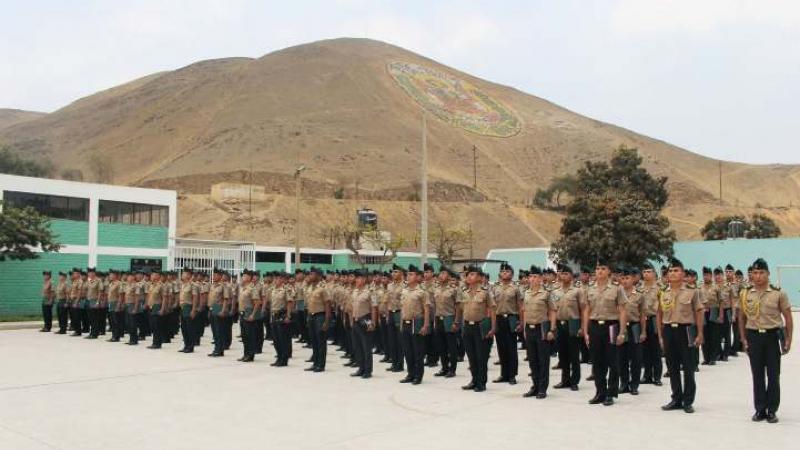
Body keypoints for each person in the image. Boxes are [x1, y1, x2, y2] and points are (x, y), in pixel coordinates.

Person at [739, 258, 793, 423]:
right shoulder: (745, 293)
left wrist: (789, 339)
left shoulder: (778, 293)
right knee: (757, 375)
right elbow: (741, 318)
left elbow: (788, 317)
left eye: (761, 272)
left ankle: (772, 410)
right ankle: (760, 409)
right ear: (751, 275)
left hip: (772, 337)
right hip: (754, 337)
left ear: (768, 274)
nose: (758, 276)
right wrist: (743, 339)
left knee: (773, 375)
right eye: (755, 272)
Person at [657, 258, 704, 414]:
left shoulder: (692, 291)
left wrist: (700, 333)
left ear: (683, 274)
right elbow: (659, 313)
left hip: (686, 330)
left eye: (676, 270)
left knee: (688, 367)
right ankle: (676, 398)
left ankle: (688, 401)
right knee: (672, 367)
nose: (673, 273)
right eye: (670, 271)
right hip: (669, 330)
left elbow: (698, 312)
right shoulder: (663, 292)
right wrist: (661, 336)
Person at [582, 260, 628, 406]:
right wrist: (586, 331)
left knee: (612, 361)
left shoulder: (617, 288)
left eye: (603, 268)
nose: (600, 271)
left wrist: (622, 332)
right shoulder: (589, 288)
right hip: (595, 326)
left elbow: (622, 310)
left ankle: (611, 392)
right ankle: (600, 392)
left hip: (611, 326)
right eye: (597, 269)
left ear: (609, 271)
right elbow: (586, 310)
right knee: (597, 361)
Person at [457, 266, 496, 392]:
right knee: (471, 356)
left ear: (479, 277)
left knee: (481, 356)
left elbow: (492, 309)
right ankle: (474, 380)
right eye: (468, 275)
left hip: (481, 326)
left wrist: (493, 327)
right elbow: (461, 308)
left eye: (472, 274)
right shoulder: (464, 292)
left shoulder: (485, 292)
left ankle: (481, 382)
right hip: (468, 326)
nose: (469, 276)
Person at [521, 266, 556, 399]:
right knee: (532, 360)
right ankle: (535, 386)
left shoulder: (546, 293)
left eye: (535, 276)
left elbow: (553, 311)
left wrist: (552, 329)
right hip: (529, 329)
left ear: (541, 279)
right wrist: (524, 328)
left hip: (542, 328)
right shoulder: (526, 293)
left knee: (543, 360)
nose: (532, 279)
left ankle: (542, 388)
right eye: (530, 276)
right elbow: (524, 311)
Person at [552, 264, 584, 391]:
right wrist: (553, 326)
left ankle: (574, 381)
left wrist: (582, 327)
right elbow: (553, 309)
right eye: (561, 274)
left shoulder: (577, 291)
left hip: (573, 324)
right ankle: (564, 380)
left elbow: (583, 310)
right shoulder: (555, 291)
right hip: (560, 324)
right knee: (562, 354)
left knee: (574, 355)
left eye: (566, 274)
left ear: (571, 276)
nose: (563, 276)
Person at [399, 265, 431, 385]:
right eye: (408, 274)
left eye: (411, 274)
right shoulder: (404, 290)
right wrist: (401, 324)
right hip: (405, 323)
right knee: (407, 351)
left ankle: (418, 375)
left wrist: (426, 325)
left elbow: (426, 309)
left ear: (418, 277)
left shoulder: (422, 292)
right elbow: (402, 307)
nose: (408, 276)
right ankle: (410, 374)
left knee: (418, 351)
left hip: (416, 322)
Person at [619, 267, 647, 395]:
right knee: (621, 357)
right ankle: (624, 383)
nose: (625, 281)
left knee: (636, 357)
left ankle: (634, 385)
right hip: (620, 328)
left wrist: (643, 332)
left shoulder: (640, 294)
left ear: (633, 279)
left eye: (627, 278)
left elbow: (642, 315)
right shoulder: (617, 294)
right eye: (623, 278)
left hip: (635, 327)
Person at [493, 263, 522, 385]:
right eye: (503, 271)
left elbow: (521, 306)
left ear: (512, 274)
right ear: (500, 274)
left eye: (507, 271)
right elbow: (492, 306)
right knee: (501, 348)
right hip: (499, 319)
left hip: (511, 318)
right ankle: (503, 374)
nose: (505, 273)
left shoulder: (516, 288)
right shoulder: (495, 288)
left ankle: (512, 375)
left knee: (511, 348)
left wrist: (521, 321)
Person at [350, 269, 378, 378]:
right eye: (356, 278)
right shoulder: (355, 291)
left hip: (365, 319)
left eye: (359, 278)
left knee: (366, 346)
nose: (357, 280)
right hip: (356, 320)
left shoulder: (370, 291)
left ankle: (368, 370)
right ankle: (360, 368)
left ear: (364, 279)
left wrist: (373, 322)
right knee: (357, 346)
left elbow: (374, 307)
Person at [432, 268, 459, 378]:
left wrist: (456, 322)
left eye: (444, 273)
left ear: (449, 276)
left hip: (449, 318)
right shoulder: (436, 289)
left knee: (451, 346)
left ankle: (452, 369)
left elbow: (458, 307)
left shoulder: (454, 289)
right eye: (440, 273)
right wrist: (434, 321)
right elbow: (435, 306)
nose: (441, 275)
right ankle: (444, 367)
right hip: (439, 318)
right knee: (441, 345)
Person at [305, 267, 331, 372]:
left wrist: (327, 320)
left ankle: (321, 365)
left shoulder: (323, 287)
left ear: (319, 276)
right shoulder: (311, 287)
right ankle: (315, 362)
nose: (310, 276)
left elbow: (328, 304)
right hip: (311, 316)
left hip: (320, 316)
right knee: (314, 341)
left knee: (321, 341)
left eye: (312, 274)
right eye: (310, 274)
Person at [268, 272, 294, 366]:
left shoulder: (286, 289)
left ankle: (284, 359)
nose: (276, 280)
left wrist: (288, 316)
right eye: (275, 279)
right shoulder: (273, 290)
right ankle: (279, 357)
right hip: (274, 315)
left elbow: (289, 303)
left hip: (282, 315)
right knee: (276, 339)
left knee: (283, 338)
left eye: (278, 279)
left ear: (282, 280)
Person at [385, 265, 406, 373]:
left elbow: (405, 303)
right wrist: (388, 315)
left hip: (399, 313)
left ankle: (400, 364)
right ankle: (394, 363)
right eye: (393, 272)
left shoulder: (404, 286)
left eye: (396, 271)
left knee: (399, 340)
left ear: (401, 273)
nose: (393, 273)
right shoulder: (389, 285)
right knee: (392, 340)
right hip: (391, 313)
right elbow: (387, 300)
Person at [178, 269, 200, 353]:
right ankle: (186, 345)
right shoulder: (183, 285)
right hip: (183, 307)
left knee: (190, 328)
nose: (182, 275)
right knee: (184, 328)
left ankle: (191, 346)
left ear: (189, 275)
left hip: (189, 307)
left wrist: (194, 310)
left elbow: (195, 298)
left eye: (184, 274)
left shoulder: (193, 285)